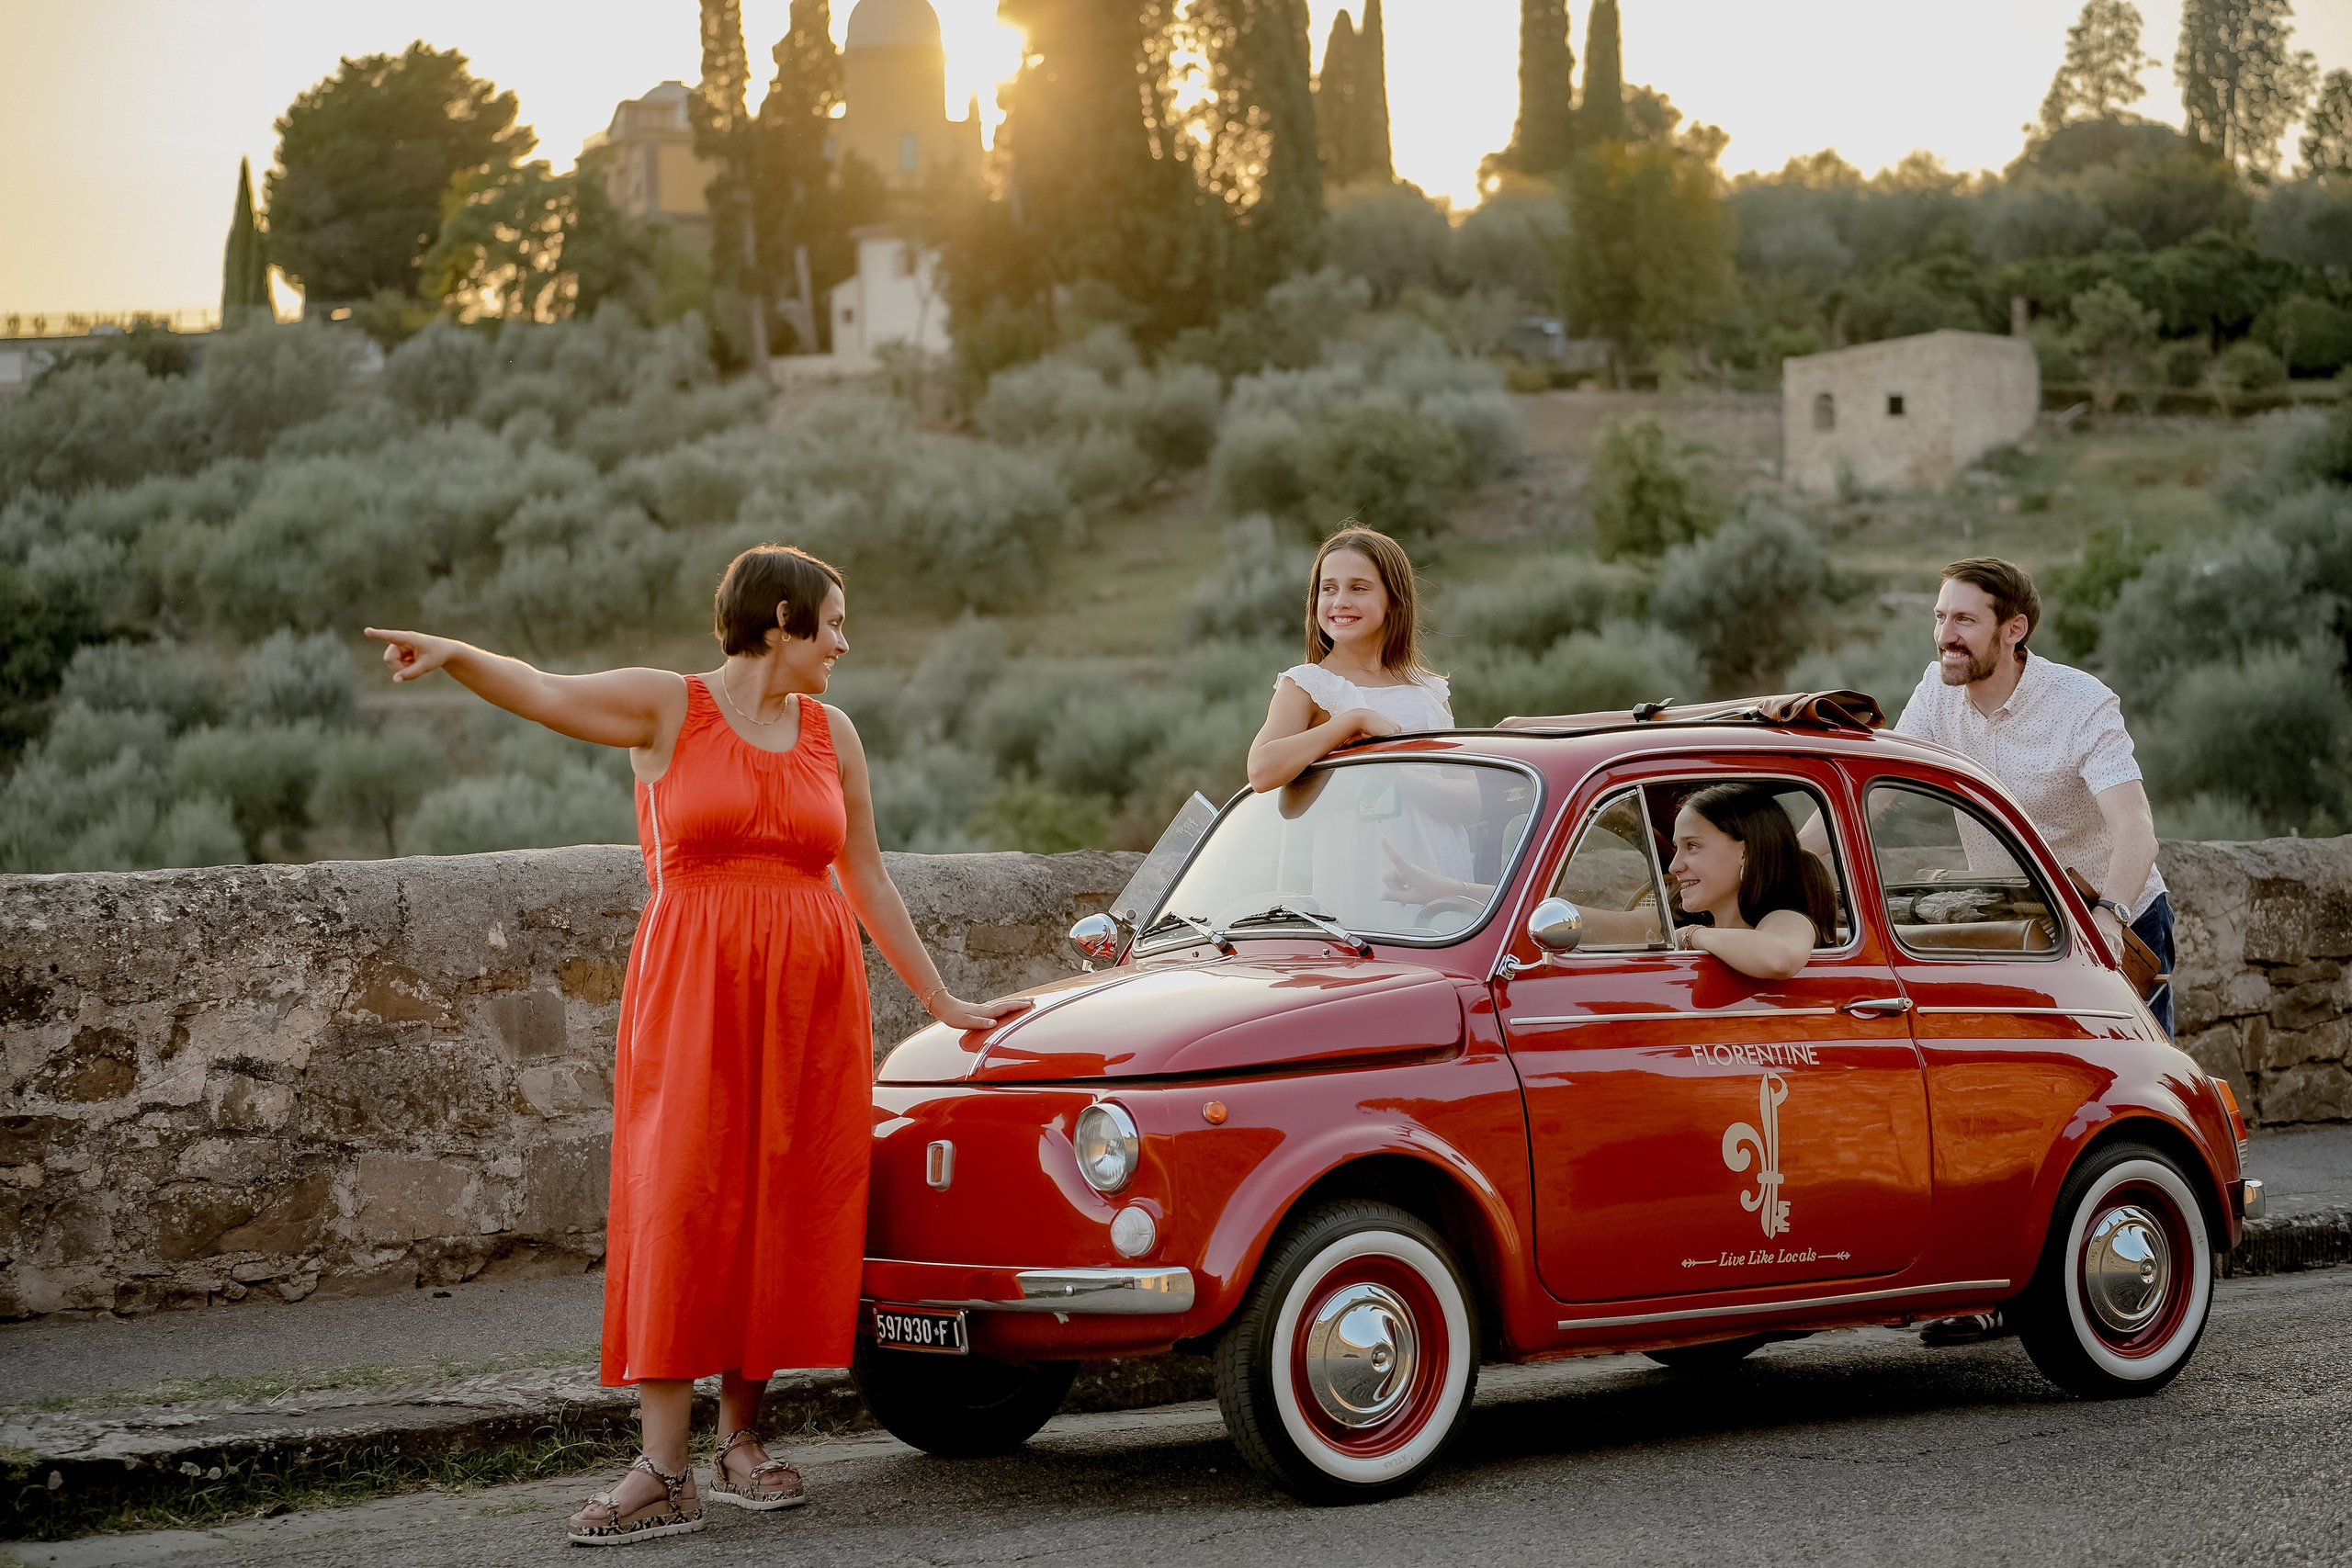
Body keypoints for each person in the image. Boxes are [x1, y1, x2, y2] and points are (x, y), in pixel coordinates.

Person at [366, 546, 1027, 1549]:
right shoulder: (668, 706)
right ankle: (662, 1466)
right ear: (780, 620)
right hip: (694, 993)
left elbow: (867, 876)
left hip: (808, 1002)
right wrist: (455, 653)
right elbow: (545, 691)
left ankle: (739, 1440)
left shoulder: (833, 733)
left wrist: (941, 998)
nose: (843, 644)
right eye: (832, 624)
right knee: (681, 1200)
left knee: (777, 1203)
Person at [1894, 557, 2171, 1032]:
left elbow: (2137, 832)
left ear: (2014, 629)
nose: (1944, 635)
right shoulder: (1934, 694)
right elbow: (1874, 783)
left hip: (2112, 920)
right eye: (1941, 617)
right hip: (2016, 924)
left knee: (2135, 1067)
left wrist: (2110, 918)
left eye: (1964, 620)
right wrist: (1786, 859)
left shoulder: (2081, 702)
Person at [1246, 525, 1452, 793]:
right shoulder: (1307, 685)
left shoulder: (1429, 690)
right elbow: (1261, 771)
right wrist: (1353, 721)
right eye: (1329, 588)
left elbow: (1469, 799)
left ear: (1393, 599)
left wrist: (1395, 773)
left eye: (1358, 588)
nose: (1340, 601)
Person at [1657, 784, 1833, 979]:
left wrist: (1691, 935)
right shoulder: (1681, 916)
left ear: (1745, 853)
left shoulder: (1785, 918)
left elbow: (1780, 959)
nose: (1674, 867)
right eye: (1677, 848)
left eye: (1692, 846)